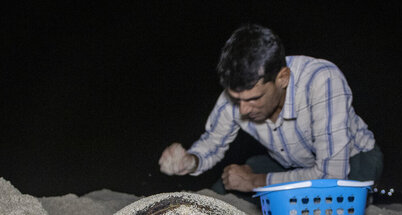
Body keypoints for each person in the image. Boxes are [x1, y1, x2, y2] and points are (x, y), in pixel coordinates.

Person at [159, 24, 383, 196]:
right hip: (288, 162)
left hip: (354, 161)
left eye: (254, 98)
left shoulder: (322, 80)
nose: (244, 110)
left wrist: (256, 181)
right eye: (237, 99)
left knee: (329, 201)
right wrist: (190, 161)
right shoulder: (237, 95)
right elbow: (213, 143)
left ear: (283, 78)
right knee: (225, 185)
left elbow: (331, 177)